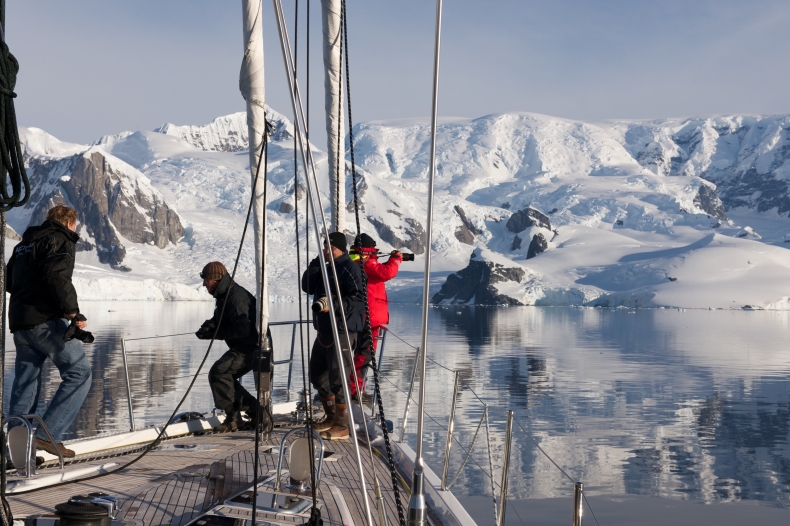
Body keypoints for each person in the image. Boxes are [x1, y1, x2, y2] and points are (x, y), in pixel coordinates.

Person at [6, 205, 92, 458]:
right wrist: (72, 312)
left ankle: (15, 453)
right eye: (75, 225)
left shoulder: (23, 244)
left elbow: (9, 281)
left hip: (21, 325)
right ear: (69, 222)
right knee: (79, 373)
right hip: (46, 322)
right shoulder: (59, 238)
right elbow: (58, 276)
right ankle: (46, 436)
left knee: (26, 385)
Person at [301, 232, 366, 440]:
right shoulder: (327, 267)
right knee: (317, 374)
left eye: (329, 247)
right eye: (324, 247)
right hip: (325, 330)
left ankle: (342, 425)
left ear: (340, 248)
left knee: (338, 378)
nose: (326, 250)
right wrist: (317, 261)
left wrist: (333, 305)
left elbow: (358, 299)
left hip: (343, 330)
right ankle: (330, 417)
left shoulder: (350, 269)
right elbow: (307, 286)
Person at [196, 261, 260, 432]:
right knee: (223, 376)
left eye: (206, 280)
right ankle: (255, 412)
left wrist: (215, 333)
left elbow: (243, 329)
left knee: (219, 372)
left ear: (215, 279)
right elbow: (223, 319)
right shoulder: (225, 295)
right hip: (244, 345)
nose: (203, 284)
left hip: (252, 347)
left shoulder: (235, 297)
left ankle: (236, 417)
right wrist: (209, 326)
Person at [349, 233, 402, 398]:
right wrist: (396, 260)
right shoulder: (366, 262)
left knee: (360, 354)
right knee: (364, 355)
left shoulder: (357, 262)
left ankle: (356, 388)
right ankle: (354, 390)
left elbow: (378, 271)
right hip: (369, 318)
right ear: (368, 250)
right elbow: (386, 273)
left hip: (363, 317)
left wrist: (387, 260)